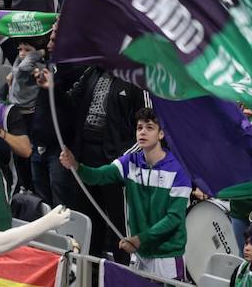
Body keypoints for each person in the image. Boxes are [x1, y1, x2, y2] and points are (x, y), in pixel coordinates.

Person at [59, 107, 191, 278]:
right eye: (139, 128)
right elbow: (98, 176)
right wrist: (76, 165)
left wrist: (139, 239)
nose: (142, 132)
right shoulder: (130, 162)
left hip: (167, 257)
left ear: (161, 134)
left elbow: (174, 218)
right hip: (139, 253)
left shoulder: (179, 171)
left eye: (149, 128)